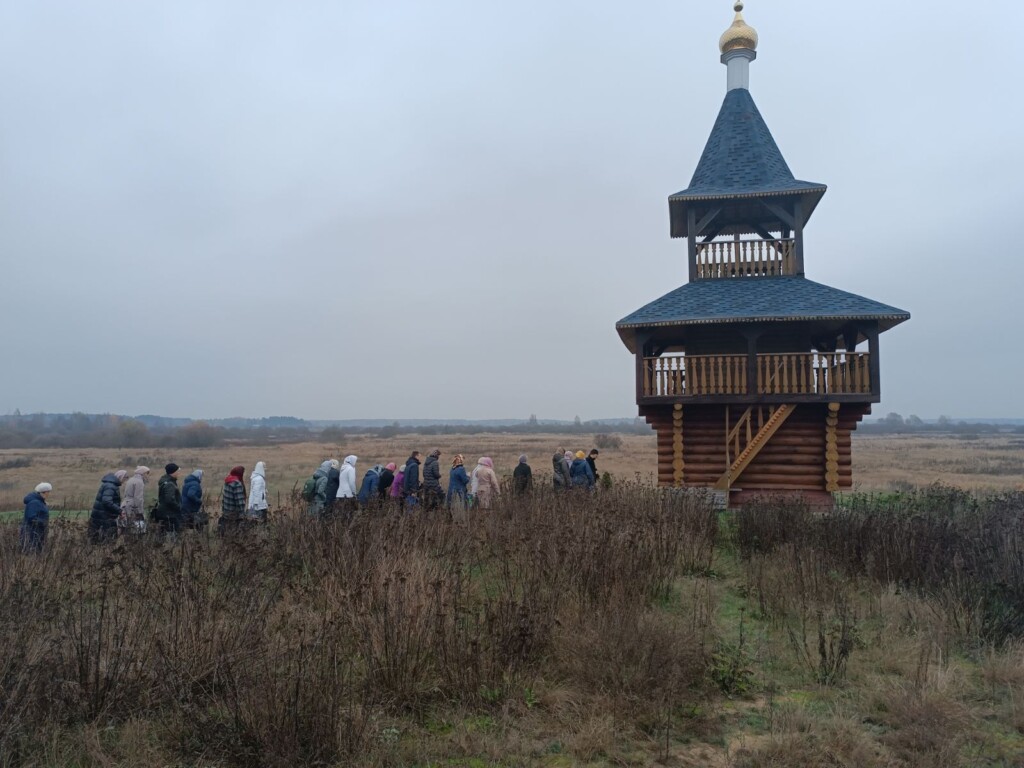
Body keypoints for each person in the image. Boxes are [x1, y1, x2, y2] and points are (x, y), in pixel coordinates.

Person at [88, 469, 127, 543]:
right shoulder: (111, 486)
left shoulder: (110, 485)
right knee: (107, 541)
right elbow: (106, 501)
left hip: (101, 517)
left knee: (96, 540)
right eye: (125, 478)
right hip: (105, 518)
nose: (125, 481)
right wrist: (119, 510)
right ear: (121, 477)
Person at [20, 482, 52, 553]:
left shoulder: (39, 502)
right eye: (48, 492)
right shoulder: (34, 503)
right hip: (32, 534)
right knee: (33, 554)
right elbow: (31, 518)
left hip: (37, 533)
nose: (49, 494)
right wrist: (43, 523)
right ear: (43, 492)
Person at [154, 463, 183, 539]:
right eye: (177, 471)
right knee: (173, 533)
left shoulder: (165, 481)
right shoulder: (170, 484)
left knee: (163, 533)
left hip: (164, 512)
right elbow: (169, 500)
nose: (178, 473)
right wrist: (178, 507)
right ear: (173, 472)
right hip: (170, 513)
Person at [120, 466, 150, 534]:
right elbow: (138, 498)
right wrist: (140, 512)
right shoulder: (139, 482)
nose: (147, 475)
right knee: (136, 529)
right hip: (132, 507)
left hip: (126, 505)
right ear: (142, 473)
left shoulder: (131, 479)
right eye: (146, 473)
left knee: (126, 527)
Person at [219, 466, 247, 533]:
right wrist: (242, 515)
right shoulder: (237, 484)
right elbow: (240, 502)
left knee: (226, 534)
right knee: (234, 534)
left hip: (226, 513)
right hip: (234, 515)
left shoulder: (227, 481)